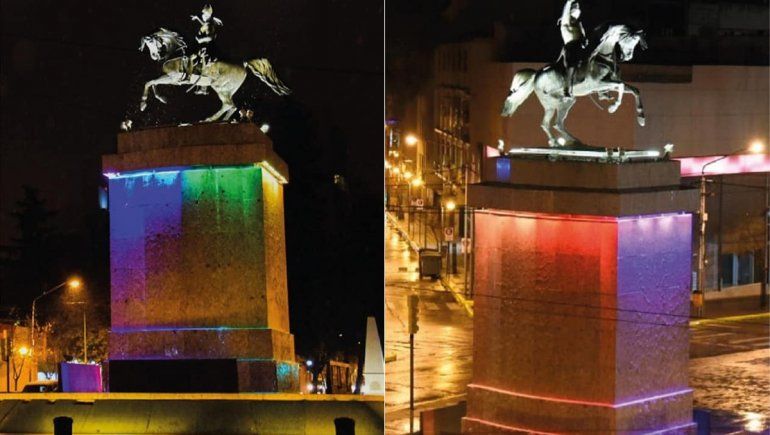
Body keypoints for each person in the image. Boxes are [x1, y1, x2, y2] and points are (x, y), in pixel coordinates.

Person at [189, 4, 223, 94]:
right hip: (203, 46)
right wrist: (197, 18)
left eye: (206, 15)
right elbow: (203, 24)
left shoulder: (209, 25)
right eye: (203, 15)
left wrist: (200, 40)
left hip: (207, 47)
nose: (204, 16)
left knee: (204, 63)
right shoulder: (206, 23)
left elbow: (210, 37)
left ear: (209, 16)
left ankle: (204, 88)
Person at [557, 0, 586, 98]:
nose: (577, 14)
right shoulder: (565, 21)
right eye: (575, 12)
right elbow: (566, 11)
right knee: (571, 67)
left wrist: (584, 42)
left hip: (579, 48)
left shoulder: (578, 24)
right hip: (571, 48)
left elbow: (583, 38)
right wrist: (569, 2)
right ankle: (566, 90)